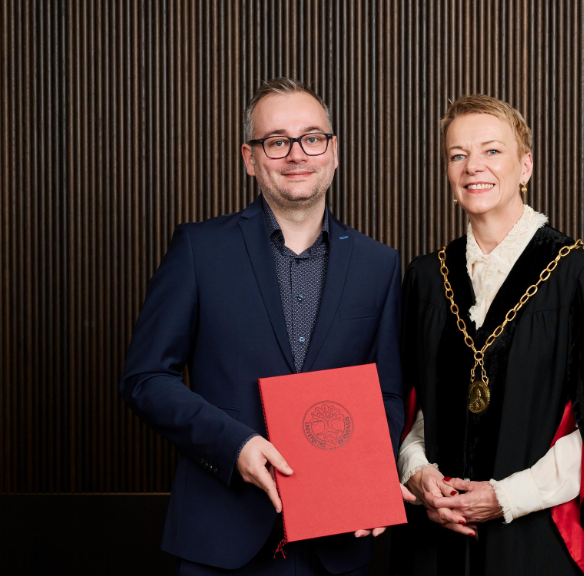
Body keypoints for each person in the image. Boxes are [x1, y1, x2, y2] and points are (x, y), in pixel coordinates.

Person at [120, 77, 410, 576]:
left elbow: (386, 395)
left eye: (311, 138)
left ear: (333, 151)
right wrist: (234, 445)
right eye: (276, 141)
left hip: (337, 543)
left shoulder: (379, 265)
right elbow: (145, 379)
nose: (297, 154)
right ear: (251, 158)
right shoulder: (198, 251)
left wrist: (372, 484)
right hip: (220, 540)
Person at [395, 95, 584, 575]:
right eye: (457, 154)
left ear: (525, 166)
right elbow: (412, 408)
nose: (473, 167)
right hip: (438, 538)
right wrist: (419, 473)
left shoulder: (580, 278)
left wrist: (504, 497)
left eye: (492, 151)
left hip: (536, 539)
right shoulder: (427, 279)